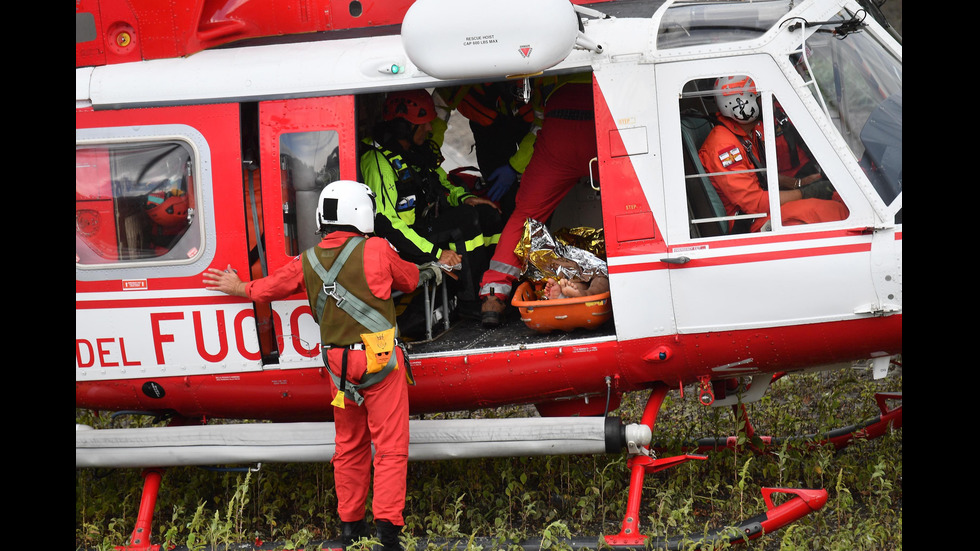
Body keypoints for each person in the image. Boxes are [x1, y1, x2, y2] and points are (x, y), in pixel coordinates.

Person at [203, 180, 439, 550]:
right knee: (390, 448)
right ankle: (387, 534)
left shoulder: (307, 260)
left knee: (348, 445)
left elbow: (268, 288)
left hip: (338, 369)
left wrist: (238, 287)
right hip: (379, 362)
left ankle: (350, 528)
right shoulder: (377, 249)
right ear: (362, 212)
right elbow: (409, 279)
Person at [360, 89, 503, 318]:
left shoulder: (416, 152)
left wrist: (466, 197)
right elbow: (387, 223)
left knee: (485, 212)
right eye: (424, 123)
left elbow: (443, 183)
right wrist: (436, 253)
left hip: (423, 229)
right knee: (465, 220)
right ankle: (469, 300)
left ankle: (493, 290)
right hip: (402, 243)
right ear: (404, 127)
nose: (429, 129)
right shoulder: (378, 161)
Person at [477, 73, 597, 327]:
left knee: (525, 217)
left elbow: (538, 130)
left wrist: (514, 166)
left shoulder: (544, 69)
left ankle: (493, 294)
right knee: (637, 200)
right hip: (599, 124)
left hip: (558, 131)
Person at [698, 75, 848, 233]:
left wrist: (800, 183)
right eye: (763, 98)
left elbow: (760, 176)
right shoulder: (724, 147)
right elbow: (754, 203)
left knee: (836, 198)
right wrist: (804, 193)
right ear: (741, 103)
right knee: (835, 212)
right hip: (749, 221)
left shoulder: (749, 131)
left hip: (762, 210)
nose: (773, 105)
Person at [433, 81, 541, 218]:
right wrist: (430, 148)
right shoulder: (466, 68)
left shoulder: (535, 76)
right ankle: (505, 225)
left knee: (540, 182)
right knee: (503, 197)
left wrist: (515, 167)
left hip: (527, 118)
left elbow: (544, 127)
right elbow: (439, 108)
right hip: (488, 126)